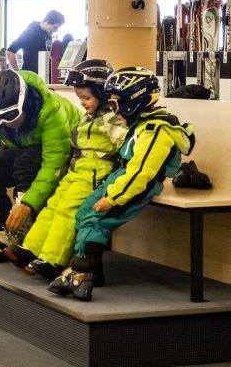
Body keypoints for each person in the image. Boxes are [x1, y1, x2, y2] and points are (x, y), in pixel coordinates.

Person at [48, 67, 194, 301]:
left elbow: (141, 173)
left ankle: (81, 278)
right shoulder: (141, 122)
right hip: (123, 178)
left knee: (95, 220)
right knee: (84, 212)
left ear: (134, 100)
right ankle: (90, 272)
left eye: (117, 103)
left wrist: (113, 197)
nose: (113, 109)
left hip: (138, 186)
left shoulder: (156, 129)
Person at [5, 60, 127, 276]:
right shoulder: (90, 117)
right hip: (77, 170)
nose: (82, 103)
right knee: (53, 205)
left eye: (86, 98)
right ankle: (31, 248)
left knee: (67, 211)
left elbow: (126, 144)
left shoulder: (110, 119)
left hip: (94, 174)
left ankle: (52, 259)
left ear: (103, 94)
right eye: (80, 98)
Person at [0, 69, 81, 260]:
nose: (6, 123)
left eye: (12, 116)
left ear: (25, 104)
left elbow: (54, 163)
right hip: (27, 152)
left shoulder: (50, 108)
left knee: (26, 160)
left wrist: (27, 205)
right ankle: (5, 231)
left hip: (68, 156)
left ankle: (24, 233)